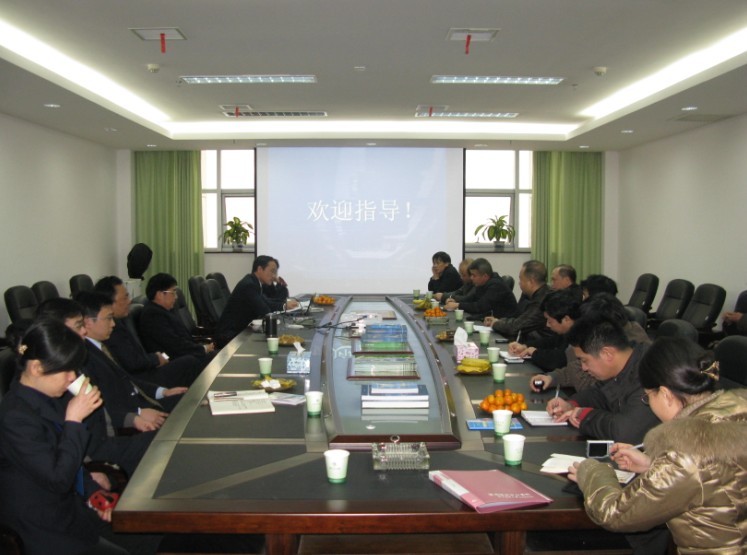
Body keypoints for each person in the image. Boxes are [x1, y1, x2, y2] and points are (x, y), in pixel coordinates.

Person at [568, 337, 747, 554]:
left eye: (648, 397)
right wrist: (654, 465)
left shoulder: (687, 452)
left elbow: (615, 514)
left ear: (665, 394)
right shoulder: (734, 416)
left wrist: (593, 472)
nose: (649, 404)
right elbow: (718, 478)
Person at [0, 319, 129, 555]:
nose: (72, 378)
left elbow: (72, 461)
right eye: (66, 370)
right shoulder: (14, 417)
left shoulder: (47, 397)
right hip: (41, 525)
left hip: (71, 510)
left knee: (146, 535)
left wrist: (94, 493)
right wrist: (74, 420)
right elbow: (58, 478)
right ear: (37, 368)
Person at [37, 296, 155, 478]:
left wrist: (131, 418)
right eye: (78, 326)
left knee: (165, 440)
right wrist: (86, 472)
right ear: (55, 331)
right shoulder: (52, 379)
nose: (84, 331)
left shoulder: (75, 363)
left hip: (104, 439)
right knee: (162, 446)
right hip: (91, 453)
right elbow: (56, 444)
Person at [77, 291, 184, 433]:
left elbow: (128, 379)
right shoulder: (85, 356)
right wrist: (137, 413)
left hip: (142, 404)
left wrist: (163, 392)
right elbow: (104, 401)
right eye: (108, 318)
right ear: (88, 322)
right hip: (130, 420)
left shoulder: (101, 345)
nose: (113, 324)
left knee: (188, 400)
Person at [546, 314, 660, 444]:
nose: (583, 368)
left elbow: (625, 432)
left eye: (584, 360)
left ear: (607, 354)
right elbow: (599, 393)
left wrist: (585, 416)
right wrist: (571, 405)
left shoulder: (649, 374)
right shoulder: (624, 365)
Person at [530, 293, 651, 394]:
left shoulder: (629, 357)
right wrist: (552, 378)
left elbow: (593, 390)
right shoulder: (605, 338)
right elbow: (575, 366)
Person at [94, 276, 202, 386]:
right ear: (109, 302)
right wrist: (156, 359)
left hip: (149, 366)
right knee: (190, 362)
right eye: (125, 297)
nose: (130, 301)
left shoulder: (119, 322)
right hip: (142, 379)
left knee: (192, 360)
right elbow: (132, 362)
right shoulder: (111, 329)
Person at [215, 255, 298, 346]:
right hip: (230, 336)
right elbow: (265, 310)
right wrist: (284, 306)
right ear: (260, 269)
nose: (274, 275)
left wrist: (285, 305)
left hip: (241, 331)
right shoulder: (249, 285)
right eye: (272, 271)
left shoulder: (254, 282)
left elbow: (267, 301)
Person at [139, 273, 216, 361]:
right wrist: (203, 349)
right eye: (173, 292)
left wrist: (201, 348)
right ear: (160, 294)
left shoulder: (163, 310)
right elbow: (174, 345)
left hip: (184, 355)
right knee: (217, 358)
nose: (176, 297)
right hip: (173, 360)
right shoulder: (153, 316)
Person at [511, 288, 582, 372]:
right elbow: (551, 341)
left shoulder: (582, 335)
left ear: (566, 319)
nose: (547, 325)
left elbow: (561, 360)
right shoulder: (568, 330)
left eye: (550, 321)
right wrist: (525, 346)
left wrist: (535, 353)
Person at [484, 260, 551, 340]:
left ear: (531, 282)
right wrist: (499, 321)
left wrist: (495, 323)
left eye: (521, 279)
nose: (519, 283)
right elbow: (519, 319)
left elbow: (516, 327)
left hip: (535, 344)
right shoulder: (533, 294)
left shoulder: (543, 300)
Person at [443, 258, 517, 320]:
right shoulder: (482, 283)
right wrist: (455, 301)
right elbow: (471, 299)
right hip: (492, 320)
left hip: (506, 325)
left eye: (474, 275)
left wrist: (458, 305)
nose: (471, 278)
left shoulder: (496, 285)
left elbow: (480, 306)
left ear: (485, 276)